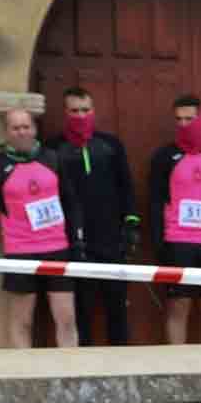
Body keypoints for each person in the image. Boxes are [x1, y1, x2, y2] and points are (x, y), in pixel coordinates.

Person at [0, 105, 78, 348]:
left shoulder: (53, 158)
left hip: (57, 248)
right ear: (7, 132)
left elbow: (71, 205)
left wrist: (77, 244)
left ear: (35, 129)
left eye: (26, 126)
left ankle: (73, 377)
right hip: (20, 250)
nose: (21, 132)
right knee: (22, 322)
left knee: (67, 319)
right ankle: (25, 377)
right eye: (15, 127)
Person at [147, 94, 201, 344]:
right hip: (178, 242)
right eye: (179, 120)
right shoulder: (164, 157)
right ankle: (176, 371)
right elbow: (155, 201)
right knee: (179, 307)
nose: (184, 125)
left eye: (190, 119)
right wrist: (159, 243)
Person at [55, 85, 139, 346]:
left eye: (85, 110)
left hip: (111, 241)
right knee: (81, 312)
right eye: (74, 111)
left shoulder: (111, 145)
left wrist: (131, 223)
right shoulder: (53, 147)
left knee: (117, 309)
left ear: (94, 111)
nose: (80, 116)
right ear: (65, 113)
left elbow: (126, 186)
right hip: (74, 243)